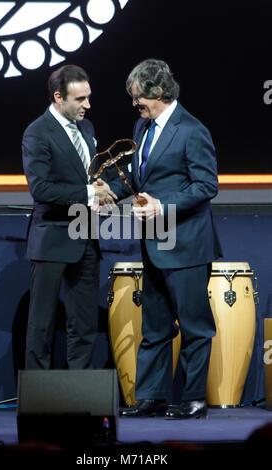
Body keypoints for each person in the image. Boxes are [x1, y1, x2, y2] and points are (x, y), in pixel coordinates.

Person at [109, 58, 223, 419]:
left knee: (194, 326)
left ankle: (192, 398)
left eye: (137, 96)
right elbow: (136, 173)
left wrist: (164, 206)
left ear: (158, 91)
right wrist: (109, 190)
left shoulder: (192, 129)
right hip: (154, 242)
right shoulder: (143, 128)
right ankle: (151, 397)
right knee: (155, 327)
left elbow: (207, 185)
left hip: (187, 244)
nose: (134, 103)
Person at [22, 64, 116, 370]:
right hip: (52, 238)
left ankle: (79, 392)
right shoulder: (37, 133)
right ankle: (37, 395)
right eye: (80, 99)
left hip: (86, 237)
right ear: (58, 97)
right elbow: (42, 189)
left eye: (88, 97)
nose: (87, 105)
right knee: (42, 324)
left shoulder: (87, 129)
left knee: (85, 323)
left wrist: (99, 188)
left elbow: (87, 176)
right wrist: (89, 194)